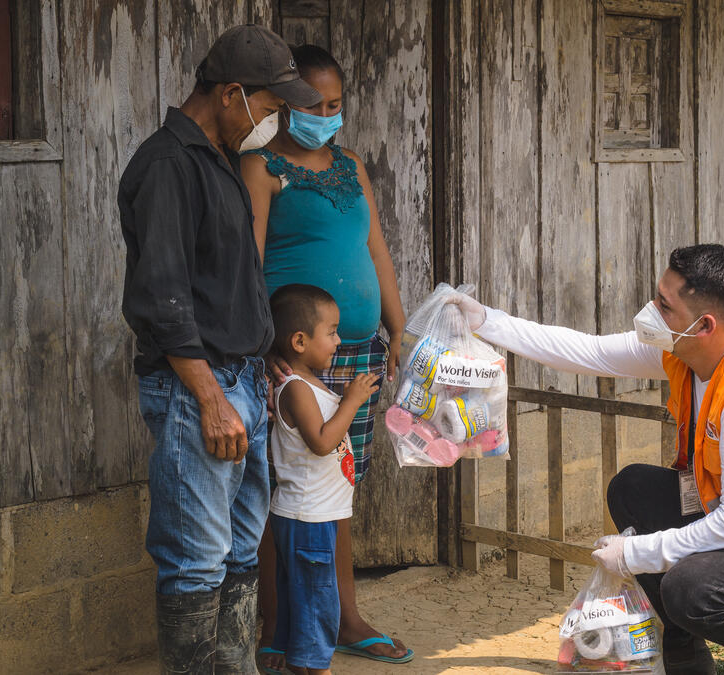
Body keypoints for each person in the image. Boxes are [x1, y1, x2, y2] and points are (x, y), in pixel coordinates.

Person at [448, 244, 724, 675]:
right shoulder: (683, 352)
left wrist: (636, 553)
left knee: (690, 589)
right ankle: (684, 652)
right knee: (633, 488)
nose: (650, 311)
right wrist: (486, 321)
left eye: (664, 305)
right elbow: (589, 352)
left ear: (704, 324)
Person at [118, 24, 321, 673]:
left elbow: (227, 283)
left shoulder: (219, 158)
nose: (271, 122)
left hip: (240, 384)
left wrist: (256, 370)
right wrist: (210, 397)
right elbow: (165, 296)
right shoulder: (169, 165)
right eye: (268, 108)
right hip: (195, 391)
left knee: (236, 552)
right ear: (231, 94)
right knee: (196, 560)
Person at [240, 45, 412, 668]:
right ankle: (276, 622)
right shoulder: (261, 167)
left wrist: (397, 329)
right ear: (286, 106)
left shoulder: (352, 166)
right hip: (291, 355)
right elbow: (249, 262)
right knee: (280, 491)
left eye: (335, 103)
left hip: (354, 348)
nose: (327, 113)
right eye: (314, 104)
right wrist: (260, 348)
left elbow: (380, 254)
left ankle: (343, 616)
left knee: (337, 490)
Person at [266, 285, 381, 675]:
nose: (338, 340)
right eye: (331, 331)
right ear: (299, 341)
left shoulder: (308, 382)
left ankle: (296, 662)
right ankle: (315, 669)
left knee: (304, 598)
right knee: (317, 603)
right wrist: (351, 401)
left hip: (312, 515)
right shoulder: (296, 388)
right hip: (307, 518)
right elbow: (321, 442)